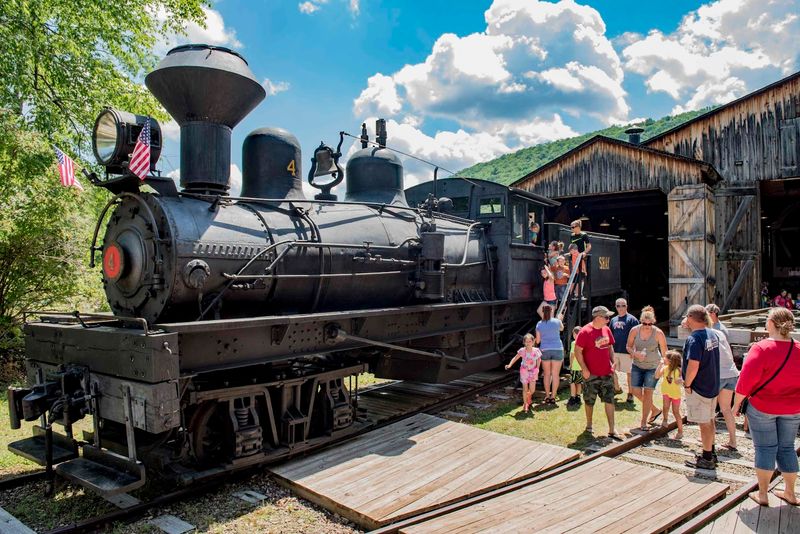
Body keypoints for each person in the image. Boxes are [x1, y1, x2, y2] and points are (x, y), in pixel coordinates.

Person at [732, 307, 800, 507]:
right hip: (792, 407)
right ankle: (790, 493)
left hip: (763, 406)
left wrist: (736, 405)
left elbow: (745, 382)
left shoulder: (761, 348)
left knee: (765, 448)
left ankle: (763, 494)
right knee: (787, 448)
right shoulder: (798, 348)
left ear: (771, 324)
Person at [682, 304, 721, 470]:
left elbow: (693, 365)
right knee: (710, 418)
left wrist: (687, 384)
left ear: (691, 318)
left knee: (704, 422)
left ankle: (706, 458)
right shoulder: (712, 334)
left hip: (700, 386)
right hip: (712, 384)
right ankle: (711, 451)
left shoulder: (694, 338)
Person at [574, 306, 621, 440]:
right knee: (589, 401)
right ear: (598, 317)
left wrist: (613, 361)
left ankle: (612, 429)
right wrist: (584, 369)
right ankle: (589, 425)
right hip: (591, 374)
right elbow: (578, 351)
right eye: (606, 317)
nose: (608, 320)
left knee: (609, 400)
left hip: (606, 372)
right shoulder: (585, 332)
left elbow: (610, 346)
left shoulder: (606, 329)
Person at [626, 305, 667, 431]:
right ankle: (654, 409)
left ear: (653, 322)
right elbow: (628, 346)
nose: (647, 326)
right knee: (636, 391)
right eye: (644, 323)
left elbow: (665, 352)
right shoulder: (634, 330)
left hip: (652, 366)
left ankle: (643, 422)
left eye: (649, 324)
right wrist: (634, 354)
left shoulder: (658, 333)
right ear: (641, 321)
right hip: (638, 365)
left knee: (648, 393)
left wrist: (663, 366)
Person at [610, 298, 639, 403]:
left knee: (629, 374)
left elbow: (637, 336)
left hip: (628, 351)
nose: (621, 308)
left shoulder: (632, 320)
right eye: (618, 306)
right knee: (611, 371)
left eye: (623, 305)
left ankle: (630, 394)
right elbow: (610, 335)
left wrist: (634, 350)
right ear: (615, 307)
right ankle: (617, 389)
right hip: (615, 351)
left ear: (626, 306)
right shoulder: (613, 320)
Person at [535, 304, 565, 405]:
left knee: (547, 374)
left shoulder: (539, 324)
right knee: (555, 374)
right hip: (557, 348)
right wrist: (560, 319)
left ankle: (547, 396)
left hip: (545, 350)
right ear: (551, 311)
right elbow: (562, 329)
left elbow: (538, 341)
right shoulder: (557, 321)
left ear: (543, 312)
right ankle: (553, 396)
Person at [506, 333, 542, 413]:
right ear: (524, 342)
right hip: (524, 371)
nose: (528, 343)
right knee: (525, 388)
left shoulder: (536, 351)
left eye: (530, 341)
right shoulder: (522, 351)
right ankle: (525, 403)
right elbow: (515, 358)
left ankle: (528, 396)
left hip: (533, 371)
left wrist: (538, 368)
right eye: (526, 341)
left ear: (533, 342)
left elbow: (539, 360)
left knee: (532, 390)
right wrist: (510, 365)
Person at [656, 350, 684, 439]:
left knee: (676, 412)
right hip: (666, 392)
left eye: (665, 358)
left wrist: (681, 380)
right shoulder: (665, 368)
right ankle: (665, 420)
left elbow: (683, 379)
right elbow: (657, 376)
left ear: (670, 360)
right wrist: (660, 365)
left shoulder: (678, 370)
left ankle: (680, 431)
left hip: (675, 394)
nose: (664, 359)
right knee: (665, 407)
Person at [567, 326, 583, 407]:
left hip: (575, 366)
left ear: (575, 334)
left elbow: (573, 355)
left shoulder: (574, 343)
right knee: (579, 382)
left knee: (572, 382)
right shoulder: (584, 343)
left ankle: (572, 397)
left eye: (573, 334)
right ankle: (578, 397)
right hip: (581, 367)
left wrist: (570, 364)